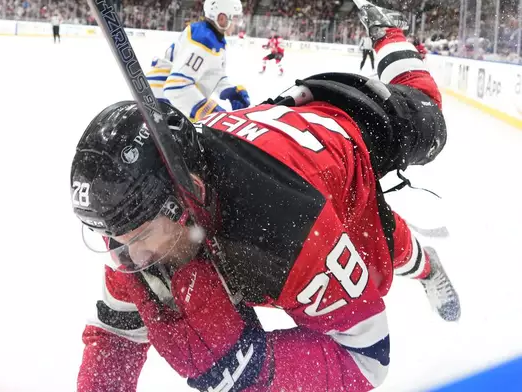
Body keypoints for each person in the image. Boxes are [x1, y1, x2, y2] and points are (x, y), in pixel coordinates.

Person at [71, 2, 460, 391]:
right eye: (119, 245)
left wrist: (261, 372)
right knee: (384, 237)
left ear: (190, 197)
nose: (132, 259)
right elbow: (114, 333)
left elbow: (369, 359)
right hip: (285, 144)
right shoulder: (139, 219)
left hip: (350, 131)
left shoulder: (287, 231)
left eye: (137, 239)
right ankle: (420, 261)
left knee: (426, 131)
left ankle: (388, 32)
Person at [146, 0, 250, 121]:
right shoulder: (203, 40)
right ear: (222, 18)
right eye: (235, 18)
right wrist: (211, 113)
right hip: (163, 103)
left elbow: (212, 74)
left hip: (172, 102)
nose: (237, 24)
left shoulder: (214, 38)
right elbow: (176, 86)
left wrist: (230, 91)